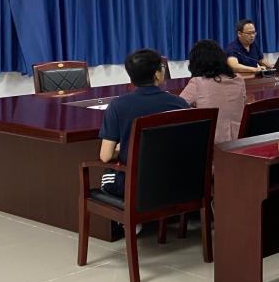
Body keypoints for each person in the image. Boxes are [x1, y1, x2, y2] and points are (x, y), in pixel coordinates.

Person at [98, 49, 189, 197]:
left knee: (107, 175)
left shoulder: (117, 106)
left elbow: (105, 156)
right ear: (157, 74)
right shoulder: (179, 103)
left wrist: (123, 148)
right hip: (175, 181)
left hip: (135, 187)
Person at [179, 40, 247, 144]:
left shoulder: (197, 82)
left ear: (196, 63)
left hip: (211, 143)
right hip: (240, 139)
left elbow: (178, 107)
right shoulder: (239, 79)